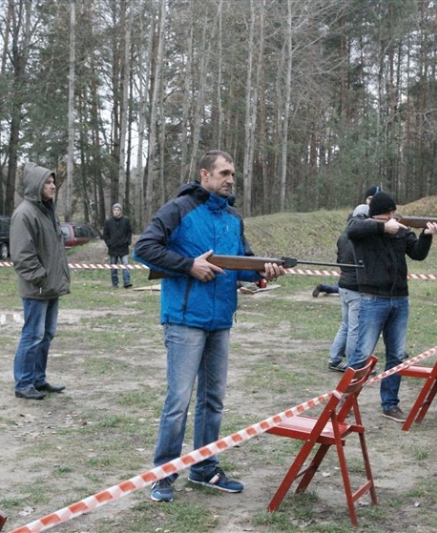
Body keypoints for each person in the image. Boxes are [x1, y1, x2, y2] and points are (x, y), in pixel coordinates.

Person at [133, 150, 285, 503]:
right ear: (205, 174)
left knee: (213, 401)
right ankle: (163, 475)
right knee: (178, 401)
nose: (231, 179)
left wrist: (264, 271)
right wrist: (188, 266)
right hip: (184, 319)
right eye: (224, 173)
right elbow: (144, 249)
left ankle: (203, 467)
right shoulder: (179, 208)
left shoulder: (233, 217)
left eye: (233, 174)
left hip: (220, 320)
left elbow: (242, 265)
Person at [345, 192, 437, 422]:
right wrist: (382, 228)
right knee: (362, 354)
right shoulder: (364, 229)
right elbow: (352, 229)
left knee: (396, 356)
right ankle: (345, 400)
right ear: (378, 214)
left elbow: (418, 253)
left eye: (393, 212)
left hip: (400, 299)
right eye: (389, 213)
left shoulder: (400, 230)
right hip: (372, 299)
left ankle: (390, 404)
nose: (393, 216)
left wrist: (427, 235)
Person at [10, 163, 71, 401]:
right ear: (36, 185)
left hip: (51, 286)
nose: (53, 186)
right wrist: (40, 278)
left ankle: (37, 378)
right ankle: (23, 383)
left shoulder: (47, 212)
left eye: (53, 182)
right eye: (47, 182)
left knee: (46, 334)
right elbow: (22, 255)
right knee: (32, 335)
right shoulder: (24, 214)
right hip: (38, 287)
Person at [313, 185, 381, 297]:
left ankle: (324, 287)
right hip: (358, 276)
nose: (372, 201)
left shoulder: (357, 220)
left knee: (341, 287)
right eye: (370, 198)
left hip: (352, 275)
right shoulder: (358, 221)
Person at [327, 203, 368, 373]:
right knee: (354, 328)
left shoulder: (343, 236)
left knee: (345, 325)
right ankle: (353, 365)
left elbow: (339, 260)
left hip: (343, 285)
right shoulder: (361, 239)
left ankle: (335, 358)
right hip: (355, 288)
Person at [103, 203, 133, 289]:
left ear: (120, 211)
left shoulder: (126, 220)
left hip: (123, 247)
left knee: (125, 265)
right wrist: (109, 243)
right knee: (113, 266)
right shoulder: (108, 222)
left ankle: (127, 282)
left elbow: (129, 232)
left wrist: (127, 241)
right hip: (113, 248)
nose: (116, 212)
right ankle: (115, 283)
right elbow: (105, 234)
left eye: (118, 210)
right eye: (114, 210)